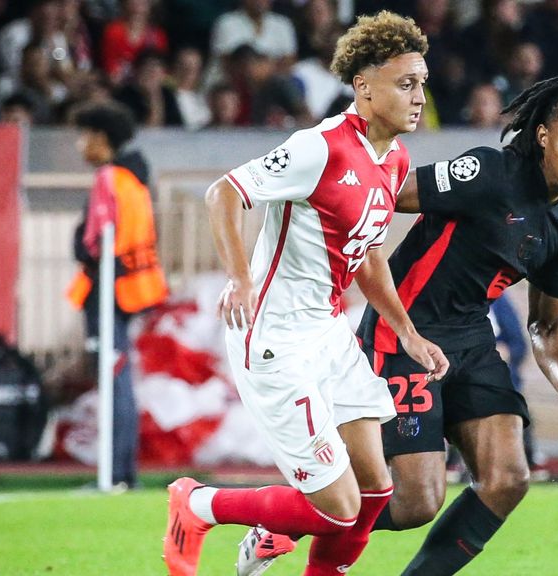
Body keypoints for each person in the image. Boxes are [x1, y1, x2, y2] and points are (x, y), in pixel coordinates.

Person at [249, 75, 558, 575]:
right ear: (543, 137)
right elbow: (388, 194)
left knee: (508, 478)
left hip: (470, 341)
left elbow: (545, 324)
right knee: (414, 502)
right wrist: (327, 218)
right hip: (405, 334)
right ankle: (285, 519)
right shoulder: (488, 173)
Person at [162, 12, 448, 576]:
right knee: (339, 508)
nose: (419, 96)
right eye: (405, 83)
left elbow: (364, 253)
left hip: (329, 334)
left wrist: (407, 332)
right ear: (364, 87)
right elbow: (224, 193)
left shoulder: (394, 159)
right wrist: (241, 277)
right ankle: (198, 504)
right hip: (276, 340)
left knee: (374, 489)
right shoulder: (319, 148)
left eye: (423, 83)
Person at [65, 102, 169, 489]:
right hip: (131, 290)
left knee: (114, 381)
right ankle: (123, 472)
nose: (79, 144)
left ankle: (116, 474)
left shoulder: (109, 178)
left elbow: (94, 243)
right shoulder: (135, 178)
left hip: (110, 291)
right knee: (121, 379)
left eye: (84, 135)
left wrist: (79, 246)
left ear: (101, 138)